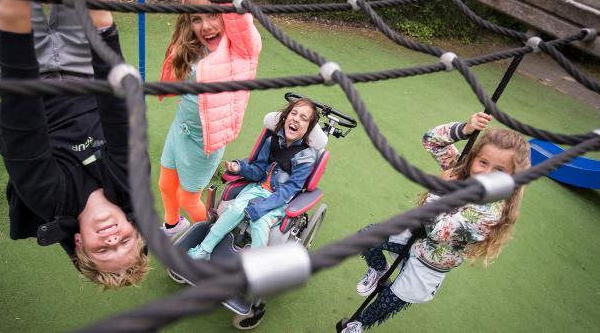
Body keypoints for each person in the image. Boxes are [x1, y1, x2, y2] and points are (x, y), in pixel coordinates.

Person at [0, 0, 148, 289]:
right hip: (84, 66)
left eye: (103, 249)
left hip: (25, 66)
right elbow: (119, 114)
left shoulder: (50, 199)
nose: (113, 238)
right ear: (132, 224)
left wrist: (13, 14)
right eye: (124, 241)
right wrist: (101, 23)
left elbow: (21, 122)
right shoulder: (130, 184)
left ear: (79, 241)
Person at [342, 112, 531, 333]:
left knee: (392, 298)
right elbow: (431, 140)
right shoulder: (462, 173)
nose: (486, 173)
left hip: (433, 260)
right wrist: (466, 129)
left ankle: (360, 323)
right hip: (413, 234)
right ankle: (379, 269)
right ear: (474, 158)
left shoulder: (490, 214)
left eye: (499, 170)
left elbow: (438, 232)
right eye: (483, 162)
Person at [157, 0, 262, 237]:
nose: (205, 25)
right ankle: (173, 225)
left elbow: (237, 8)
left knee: (189, 199)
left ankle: (217, 235)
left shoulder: (240, 49)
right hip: (180, 128)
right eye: (197, 19)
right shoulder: (193, 44)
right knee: (166, 185)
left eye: (213, 15)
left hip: (204, 140)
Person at [187, 98, 320, 260]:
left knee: (260, 222)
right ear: (285, 117)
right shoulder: (272, 141)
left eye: (303, 118)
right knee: (235, 209)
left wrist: (262, 207)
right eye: (294, 113)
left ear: (308, 129)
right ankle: (204, 249)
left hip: (281, 199)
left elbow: (290, 189)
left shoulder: (306, 157)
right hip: (257, 188)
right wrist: (240, 168)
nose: (296, 119)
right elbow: (258, 170)